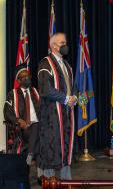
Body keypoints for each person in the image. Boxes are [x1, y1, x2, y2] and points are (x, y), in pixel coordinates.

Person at [37, 32, 77, 179]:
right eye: (62, 43)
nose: (65, 46)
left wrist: (74, 98)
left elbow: (71, 87)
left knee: (65, 148)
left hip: (66, 114)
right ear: (53, 46)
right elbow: (45, 90)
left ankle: (67, 182)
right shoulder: (45, 64)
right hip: (51, 117)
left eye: (65, 42)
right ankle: (49, 182)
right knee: (51, 149)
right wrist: (66, 98)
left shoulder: (67, 65)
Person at [3, 63, 43, 183]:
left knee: (37, 128)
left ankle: (29, 155)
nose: (27, 79)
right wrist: (19, 120)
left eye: (28, 76)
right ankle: (40, 175)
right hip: (23, 129)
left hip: (37, 125)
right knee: (37, 137)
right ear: (19, 80)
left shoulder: (35, 91)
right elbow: (7, 112)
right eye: (24, 77)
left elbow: (43, 108)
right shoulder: (12, 94)